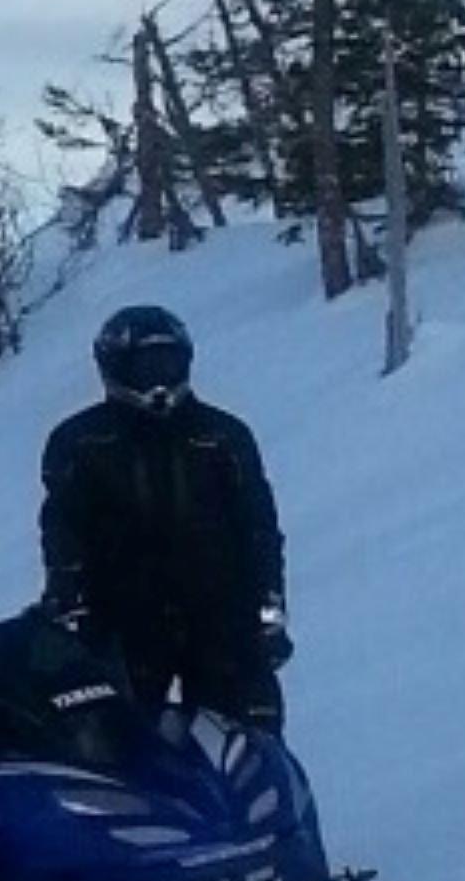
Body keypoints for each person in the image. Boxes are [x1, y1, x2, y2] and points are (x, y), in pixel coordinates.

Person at [40, 303, 289, 725]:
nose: (158, 377)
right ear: (114, 368)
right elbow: (63, 532)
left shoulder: (224, 436)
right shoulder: (79, 442)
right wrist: (70, 604)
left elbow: (259, 528)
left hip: (220, 617)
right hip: (122, 622)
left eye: (169, 362)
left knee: (249, 745)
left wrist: (269, 606)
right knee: (116, 747)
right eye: (144, 365)